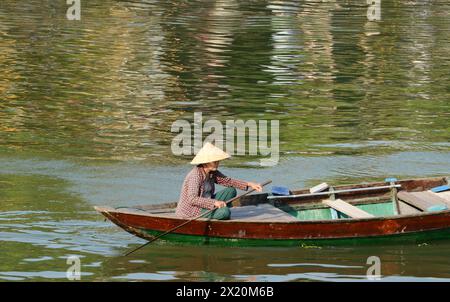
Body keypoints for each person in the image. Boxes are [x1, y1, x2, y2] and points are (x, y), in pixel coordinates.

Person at [176, 142, 262, 220]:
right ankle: (219, 210)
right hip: (194, 210)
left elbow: (228, 181)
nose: (217, 163)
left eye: (218, 161)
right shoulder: (195, 175)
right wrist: (214, 202)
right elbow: (193, 199)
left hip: (208, 202)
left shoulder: (212, 173)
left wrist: (249, 184)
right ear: (206, 162)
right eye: (215, 161)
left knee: (231, 191)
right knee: (225, 212)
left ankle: (217, 209)